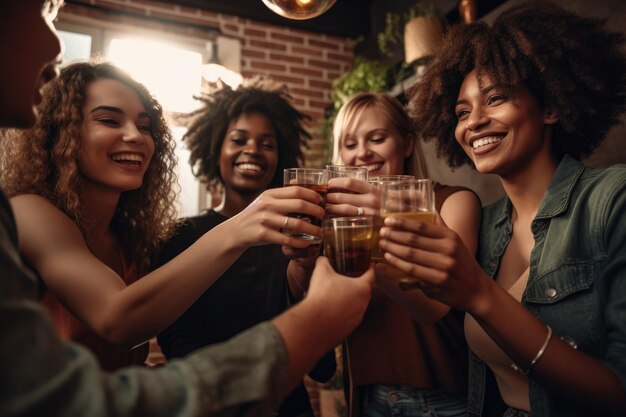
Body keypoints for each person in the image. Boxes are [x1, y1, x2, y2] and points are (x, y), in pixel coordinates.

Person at [0, 2, 374, 416]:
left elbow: (320, 366)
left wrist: (303, 271)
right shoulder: (28, 213)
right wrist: (243, 226)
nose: (135, 137)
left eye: (145, 126)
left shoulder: (131, 239)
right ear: (61, 134)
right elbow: (120, 321)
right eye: (109, 120)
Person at [379, 1, 626, 416]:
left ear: (549, 107)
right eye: (461, 112)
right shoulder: (488, 224)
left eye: (496, 99)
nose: (472, 122)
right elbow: (430, 310)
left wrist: (481, 294)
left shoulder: (611, 200)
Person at [288, 92, 482, 417]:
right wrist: (301, 261)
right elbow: (307, 298)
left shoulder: (454, 201)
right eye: (350, 144)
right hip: (365, 398)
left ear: (406, 144)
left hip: (443, 400)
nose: (363, 152)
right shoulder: (339, 219)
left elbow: (438, 304)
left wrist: (380, 224)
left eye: (376, 138)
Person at [154, 78, 334, 417]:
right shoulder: (182, 235)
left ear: (280, 158)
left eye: (267, 143)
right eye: (238, 139)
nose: (252, 149)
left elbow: (322, 368)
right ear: (215, 149)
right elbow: (177, 340)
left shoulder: (300, 237)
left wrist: (305, 273)